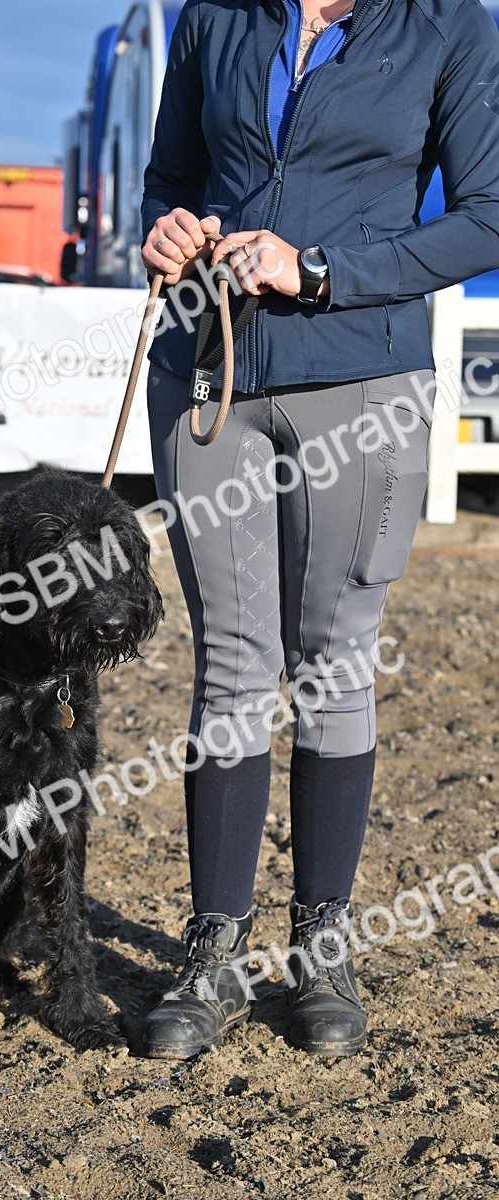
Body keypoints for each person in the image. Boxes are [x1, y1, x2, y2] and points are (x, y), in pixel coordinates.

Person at [139, 0, 499, 1059]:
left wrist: (322, 271)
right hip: (211, 376)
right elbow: (171, 179)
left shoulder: (451, 27)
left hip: (364, 379)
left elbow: (484, 215)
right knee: (229, 665)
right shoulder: (211, 19)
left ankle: (321, 948)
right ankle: (211, 953)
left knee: (333, 663)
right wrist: (163, 227)